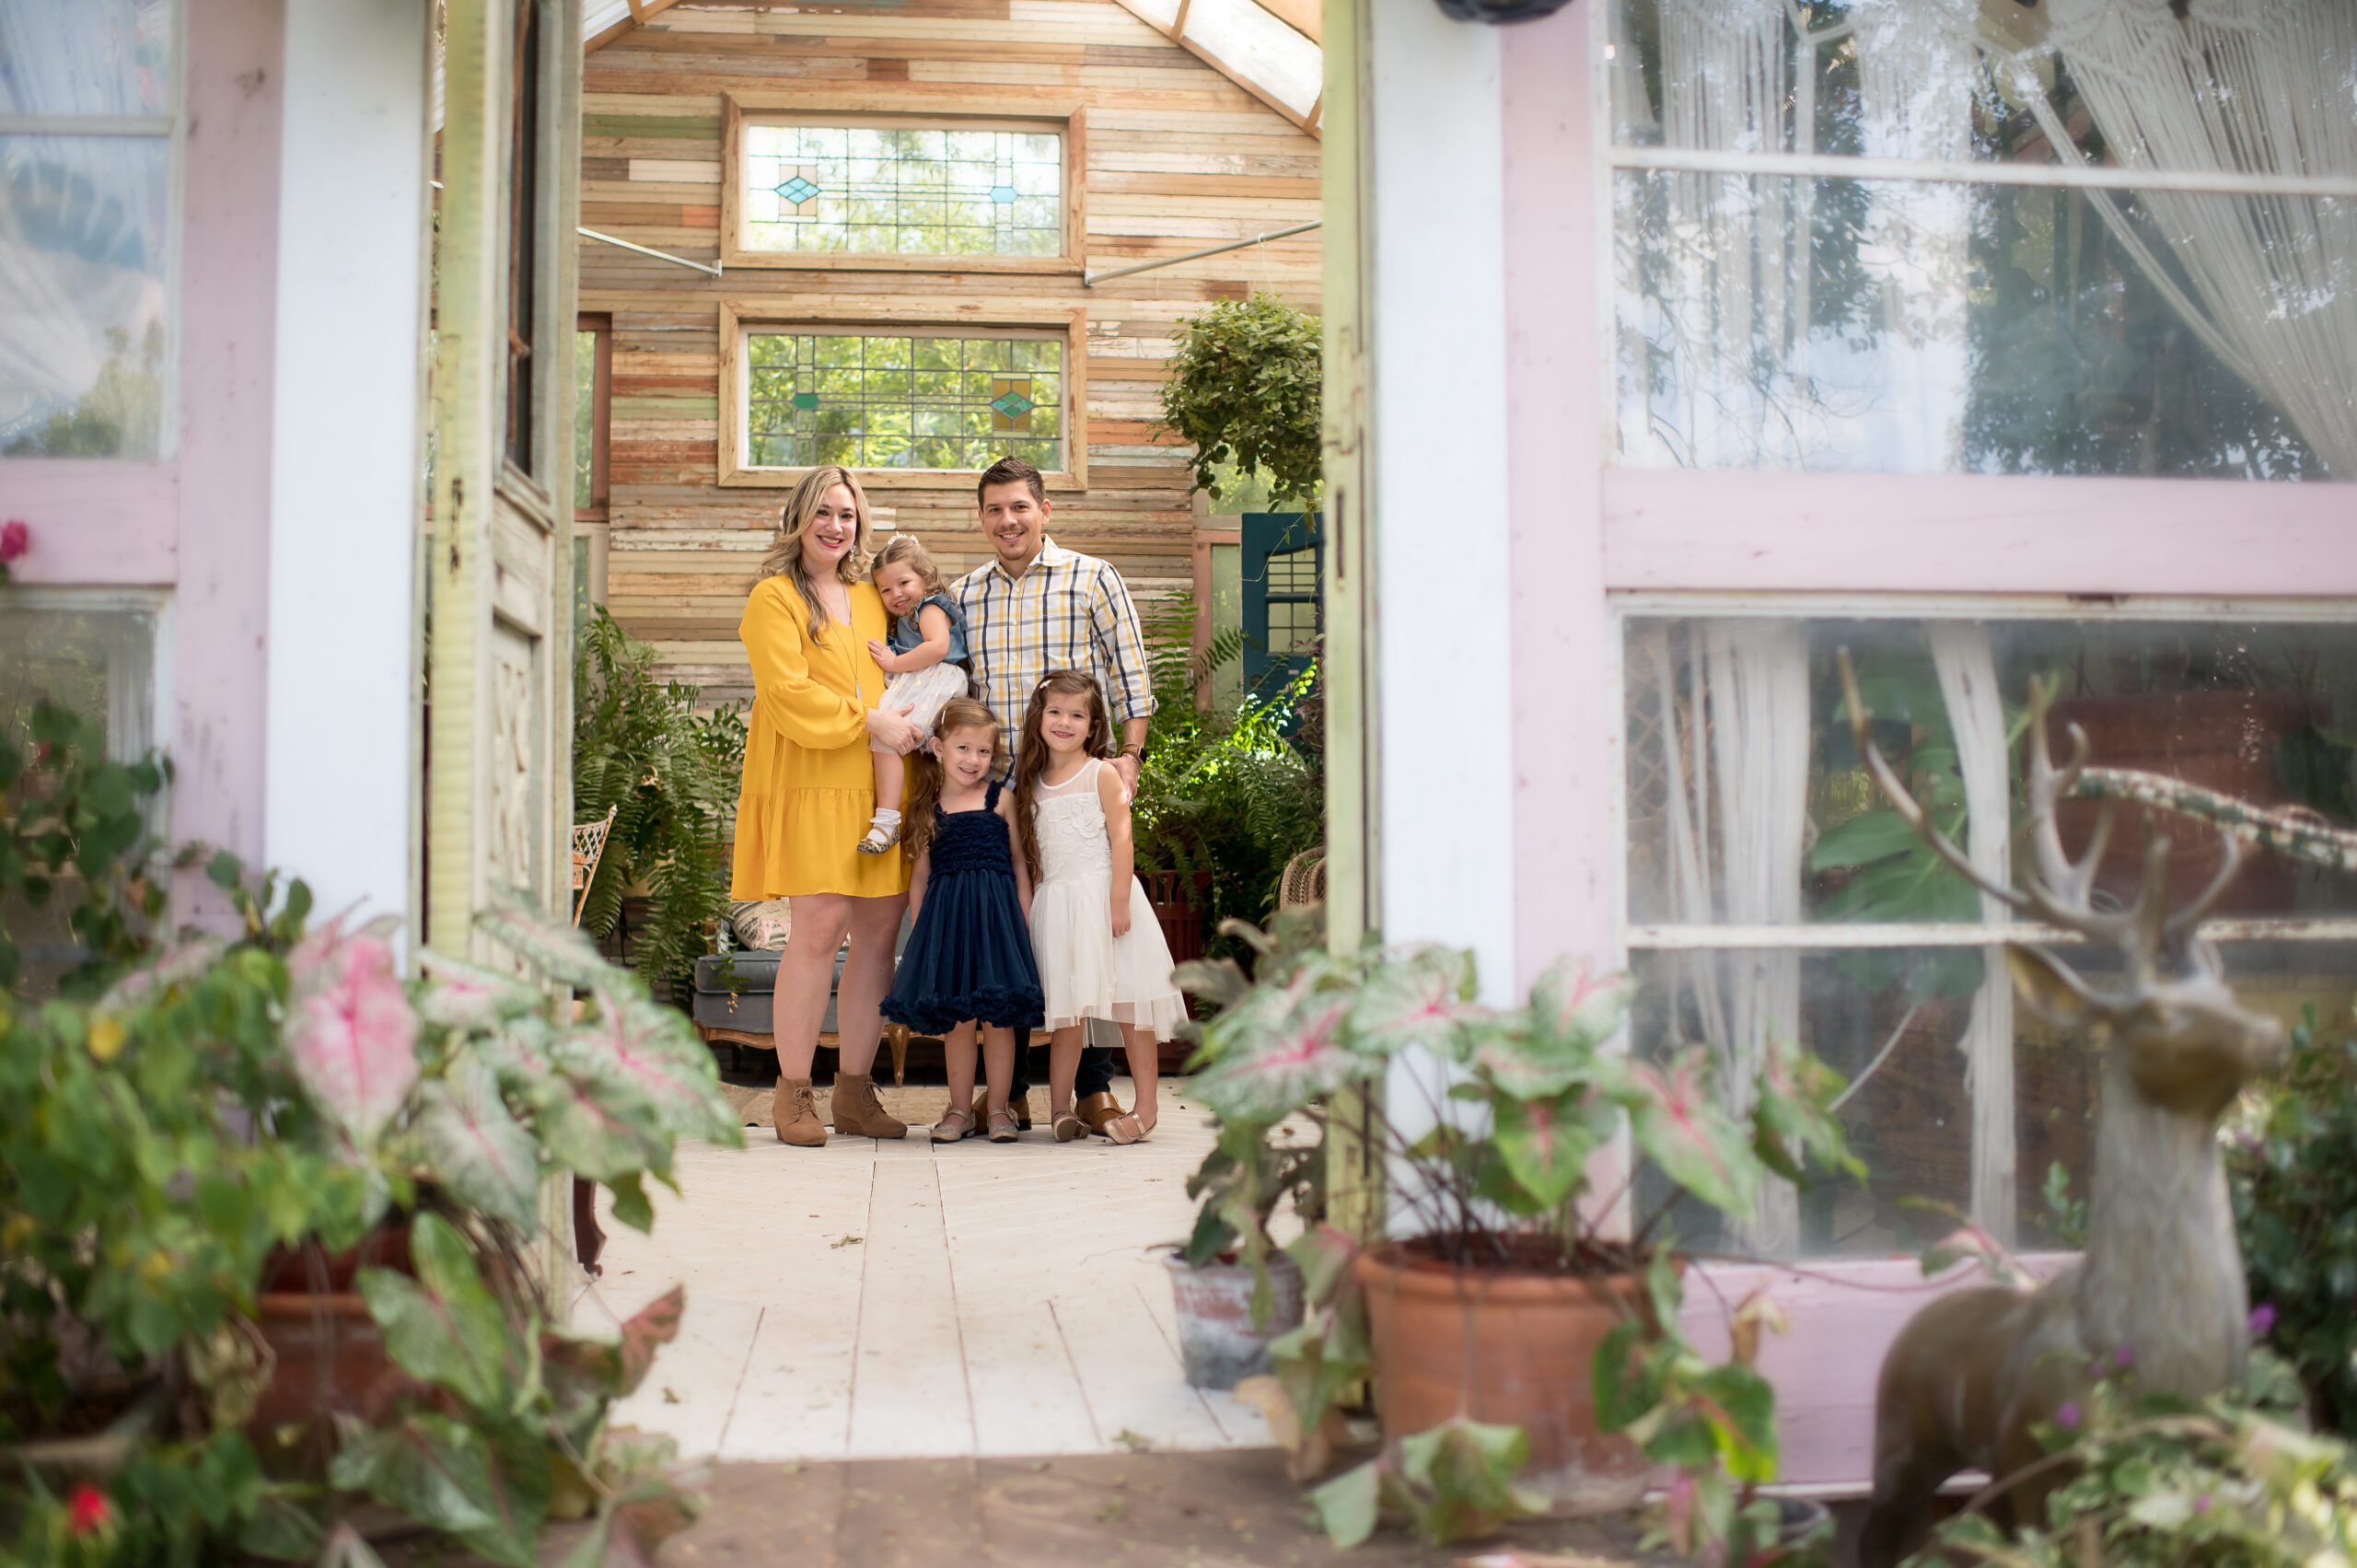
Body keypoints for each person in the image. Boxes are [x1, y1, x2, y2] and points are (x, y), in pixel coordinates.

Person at [953, 456, 1156, 1135]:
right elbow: (952, 697)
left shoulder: (1092, 578)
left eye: (1019, 506)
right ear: (981, 518)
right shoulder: (965, 595)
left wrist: (1128, 756)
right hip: (999, 793)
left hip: (1073, 787)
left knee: (1087, 930)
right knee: (1014, 934)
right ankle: (1005, 1091)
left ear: (1045, 511)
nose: (1007, 520)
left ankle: (1093, 1085)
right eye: (994, 509)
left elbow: (1132, 676)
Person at [732, 466, 923, 1149]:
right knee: (818, 931)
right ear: (798, 518)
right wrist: (872, 721)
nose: (836, 526)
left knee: (878, 936)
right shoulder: (773, 598)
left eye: (847, 514)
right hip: (812, 778)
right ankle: (792, 1094)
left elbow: (920, 658)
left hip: (881, 785)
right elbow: (787, 696)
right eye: (823, 512)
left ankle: (854, 1093)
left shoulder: (872, 596)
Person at [1014, 670, 1183, 1144]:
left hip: (1108, 899)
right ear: (1038, 718)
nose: (1064, 722)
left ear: (1092, 726)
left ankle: (1146, 1109)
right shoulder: (1032, 782)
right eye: (1055, 712)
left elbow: (1121, 838)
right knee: (1067, 1015)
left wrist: (1118, 900)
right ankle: (1061, 1110)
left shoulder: (1101, 773)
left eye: (1076, 715)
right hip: (1061, 905)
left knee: (1131, 1006)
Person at [880, 698, 1045, 1144]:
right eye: (964, 749)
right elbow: (921, 875)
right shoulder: (928, 806)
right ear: (937, 747)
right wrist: (922, 930)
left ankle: (997, 1107)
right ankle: (958, 1108)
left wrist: (1024, 919)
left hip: (997, 921)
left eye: (984, 752)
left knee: (998, 1019)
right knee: (957, 1020)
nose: (974, 760)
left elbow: (1018, 865)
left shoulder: (1001, 799)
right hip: (948, 922)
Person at [857, 535, 974, 855]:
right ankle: (892, 818)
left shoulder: (930, 606)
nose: (896, 594)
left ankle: (888, 820)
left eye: (904, 582)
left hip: (936, 677)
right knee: (887, 738)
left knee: (890, 735)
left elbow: (937, 647)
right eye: (885, 589)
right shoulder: (907, 617)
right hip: (924, 678)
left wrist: (893, 662)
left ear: (925, 578)